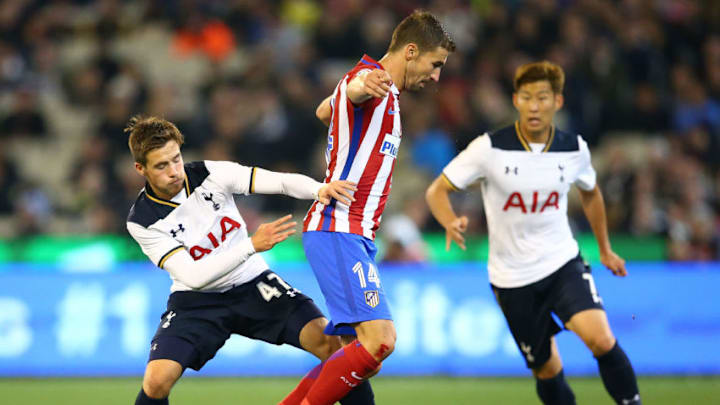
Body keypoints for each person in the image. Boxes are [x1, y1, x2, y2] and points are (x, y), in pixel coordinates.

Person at [425, 61, 642, 405]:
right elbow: (437, 190)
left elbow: (591, 192)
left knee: (601, 339)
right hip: (511, 279)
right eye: (527, 97)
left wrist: (605, 249)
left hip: (561, 263)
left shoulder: (574, 148)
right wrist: (449, 220)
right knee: (547, 369)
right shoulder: (489, 148)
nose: (535, 105)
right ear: (515, 100)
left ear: (558, 101)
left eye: (543, 97)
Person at [124, 115, 369, 405]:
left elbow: (277, 181)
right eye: (161, 165)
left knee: (334, 348)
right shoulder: (142, 221)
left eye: (176, 159)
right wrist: (251, 244)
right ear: (141, 168)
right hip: (196, 300)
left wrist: (319, 189)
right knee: (155, 382)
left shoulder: (211, 174)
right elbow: (193, 276)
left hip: (253, 283)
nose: (174, 171)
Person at [280, 10, 455, 405]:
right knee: (380, 341)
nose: (437, 77)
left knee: (357, 358)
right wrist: (359, 85)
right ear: (411, 51)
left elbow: (324, 110)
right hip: (339, 227)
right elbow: (355, 87)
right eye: (435, 64)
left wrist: (343, 97)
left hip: (351, 234)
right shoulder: (373, 81)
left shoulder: (383, 92)